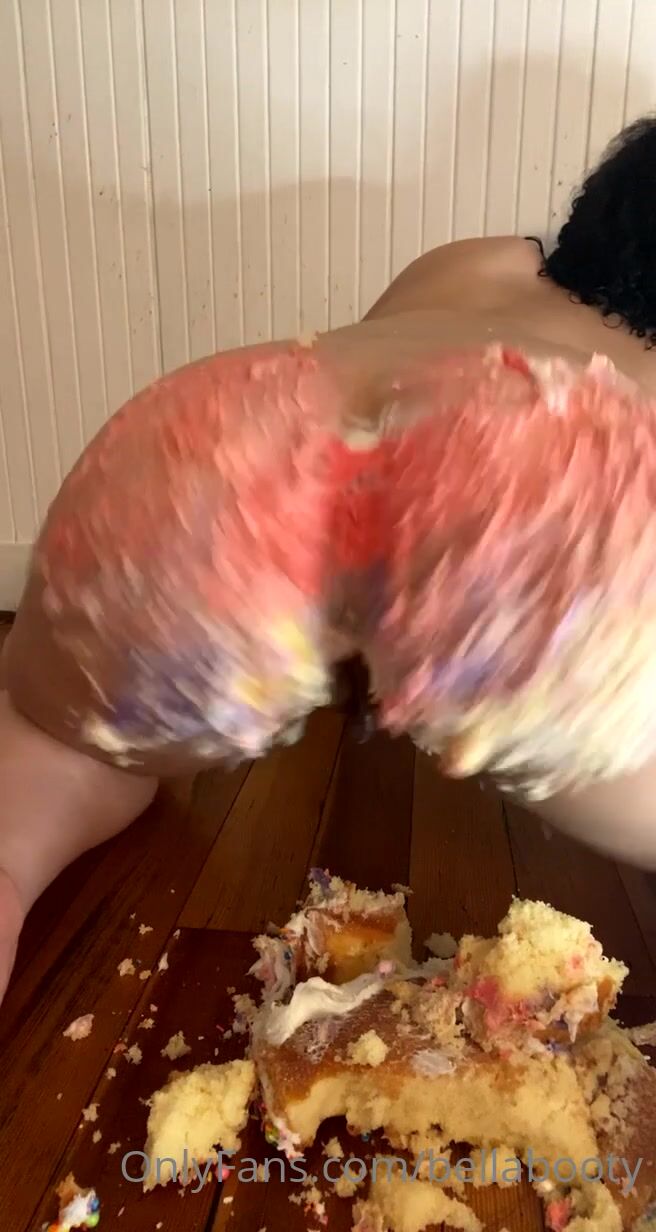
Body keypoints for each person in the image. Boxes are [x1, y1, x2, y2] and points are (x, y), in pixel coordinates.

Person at [2, 115, 656, 1006]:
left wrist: (361, 627)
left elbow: (363, 502)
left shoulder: (481, 262)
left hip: (228, 442)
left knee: (56, 756)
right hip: (547, 493)